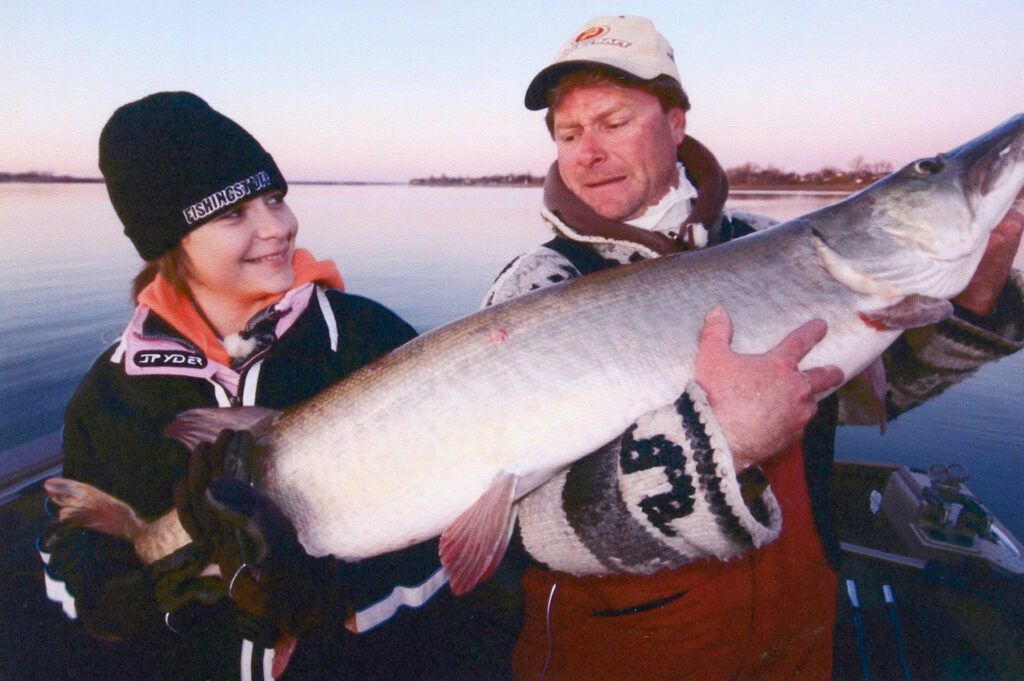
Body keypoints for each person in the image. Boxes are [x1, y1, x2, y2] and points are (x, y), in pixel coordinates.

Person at [483, 16, 1024, 679]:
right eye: (569, 134)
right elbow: (534, 521)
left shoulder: (773, 240)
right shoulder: (536, 287)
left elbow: (853, 398)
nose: (587, 151)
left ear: (676, 123)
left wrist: (972, 309)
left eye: (614, 122)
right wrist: (719, 445)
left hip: (797, 635)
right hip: (626, 652)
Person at [38, 92, 465, 680]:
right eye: (233, 214)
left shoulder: (367, 337)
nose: (277, 228)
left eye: (274, 198)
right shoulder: (112, 389)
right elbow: (66, 554)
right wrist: (125, 599)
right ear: (171, 241)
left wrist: (340, 603)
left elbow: (456, 522)